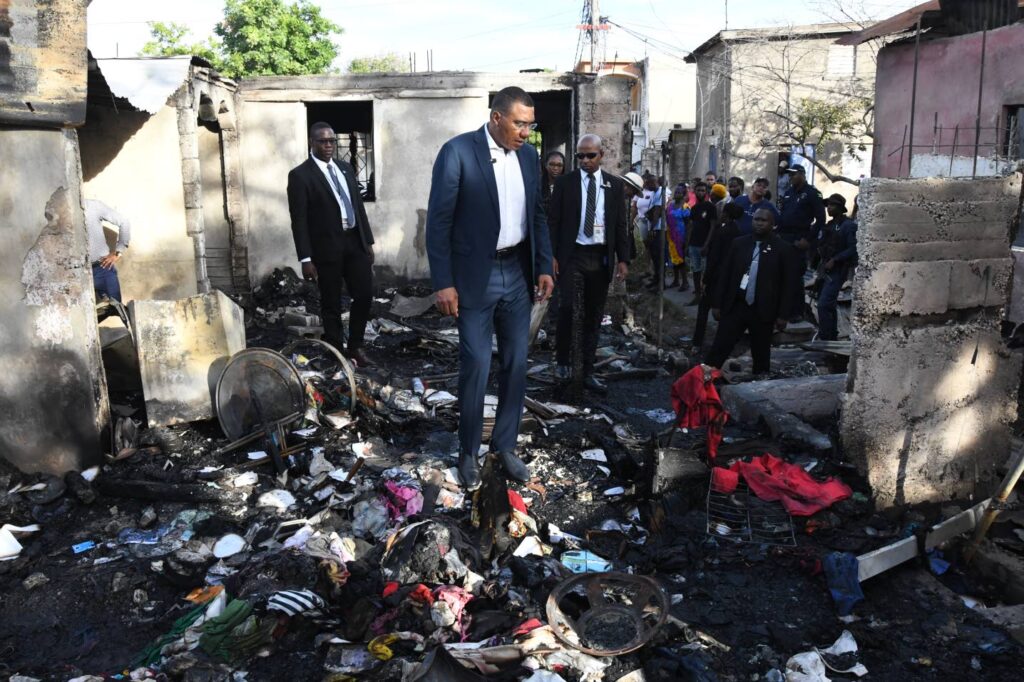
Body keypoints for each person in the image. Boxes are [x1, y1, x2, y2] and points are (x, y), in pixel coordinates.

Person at [425, 86, 554, 490]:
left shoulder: (529, 157)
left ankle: (505, 447)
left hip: (517, 272)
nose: (526, 133)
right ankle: (468, 452)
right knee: (477, 364)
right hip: (473, 277)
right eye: (519, 124)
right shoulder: (458, 152)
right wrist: (443, 282)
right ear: (496, 118)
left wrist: (544, 264)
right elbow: (439, 221)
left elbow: (537, 214)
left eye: (530, 125)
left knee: (516, 363)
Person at [288, 122, 376, 367]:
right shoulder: (300, 175)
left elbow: (358, 207)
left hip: (354, 241)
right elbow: (299, 220)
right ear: (311, 143)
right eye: (323, 141)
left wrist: (367, 242)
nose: (328, 146)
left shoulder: (344, 168)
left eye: (331, 141)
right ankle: (336, 350)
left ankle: (356, 346)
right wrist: (305, 258)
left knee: (364, 295)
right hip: (326, 248)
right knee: (331, 302)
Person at [548, 134, 630, 392]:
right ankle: (563, 362)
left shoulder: (614, 185)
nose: (585, 160)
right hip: (572, 254)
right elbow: (553, 221)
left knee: (594, 314)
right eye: (580, 156)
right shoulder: (565, 183)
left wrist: (623, 259)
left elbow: (620, 224)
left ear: (601, 155)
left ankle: (587, 370)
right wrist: (551, 255)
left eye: (590, 155)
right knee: (567, 307)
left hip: (600, 256)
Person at [706, 208, 798, 376]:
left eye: (764, 220)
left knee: (761, 355)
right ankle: (703, 384)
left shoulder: (783, 249)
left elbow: (788, 284)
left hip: (763, 310)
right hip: (736, 306)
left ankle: (758, 386)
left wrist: (783, 315)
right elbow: (725, 274)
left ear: (772, 224)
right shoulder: (739, 244)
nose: (759, 223)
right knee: (719, 349)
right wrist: (717, 303)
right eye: (756, 219)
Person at [692, 202, 744, 351]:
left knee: (704, 309)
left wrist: (705, 280)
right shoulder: (739, 231)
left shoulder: (721, 232)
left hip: (716, 277)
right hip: (730, 278)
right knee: (725, 311)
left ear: (726, 214)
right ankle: (722, 344)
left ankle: (697, 343)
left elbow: (714, 258)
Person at [778, 165, 826, 315]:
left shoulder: (812, 193)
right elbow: (783, 215)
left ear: (802, 174)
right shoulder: (788, 193)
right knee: (782, 275)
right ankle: (784, 310)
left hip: (799, 238)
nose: (790, 177)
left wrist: (808, 239)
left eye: (793, 174)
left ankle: (797, 312)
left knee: (795, 275)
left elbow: (820, 219)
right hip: (784, 238)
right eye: (789, 175)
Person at [815, 194, 857, 341]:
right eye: (828, 205)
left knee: (823, 304)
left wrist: (835, 259)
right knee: (828, 304)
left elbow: (853, 248)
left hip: (839, 270)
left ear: (840, 208)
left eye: (832, 205)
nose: (829, 208)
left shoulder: (848, 226)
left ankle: (825, 336)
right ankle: (831, 336)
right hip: (825, 269)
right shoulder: (830, 225)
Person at [85, 199, 131, 303]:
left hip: (102, 267)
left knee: (116, 308)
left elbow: (124, 222)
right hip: (75, 273)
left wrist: (118, 252)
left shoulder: (93, 206)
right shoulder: (58, 210)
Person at [685, 181, 717, 302]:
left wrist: (707, 244)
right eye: (698, 190)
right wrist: (687, 245)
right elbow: (691, 227)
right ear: (695, 192)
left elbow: (713, 226)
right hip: (693, 244)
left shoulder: (711, 207)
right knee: (696, 270)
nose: (700, 192)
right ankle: (697, 295)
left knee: (707, 272)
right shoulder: (694, 208)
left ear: (706, 192)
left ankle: (707, 296)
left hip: (705, 245)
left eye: (703, 190)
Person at [643, 174, 667, 291]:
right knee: (654, 255)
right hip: (653, 228)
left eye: (648, 184)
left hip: (658, 229)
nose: (647, 186)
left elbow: (657, 212)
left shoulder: (660, 192)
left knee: (658, 257)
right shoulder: (654, 193)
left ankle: (661, 283)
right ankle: (656, 279)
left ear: (653, 183)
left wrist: (651, 230)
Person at [666, 184, 690, 291]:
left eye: (679, 193)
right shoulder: (670, 206)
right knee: (673, 258)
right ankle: (676, 281)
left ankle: (685, 282)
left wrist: (686, 241)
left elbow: (689, 225)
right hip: (671, 237)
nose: (677, 194)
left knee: (681, 260)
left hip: (681, 237)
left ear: (683, 195)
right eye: (676, 192)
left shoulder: (685, 207)